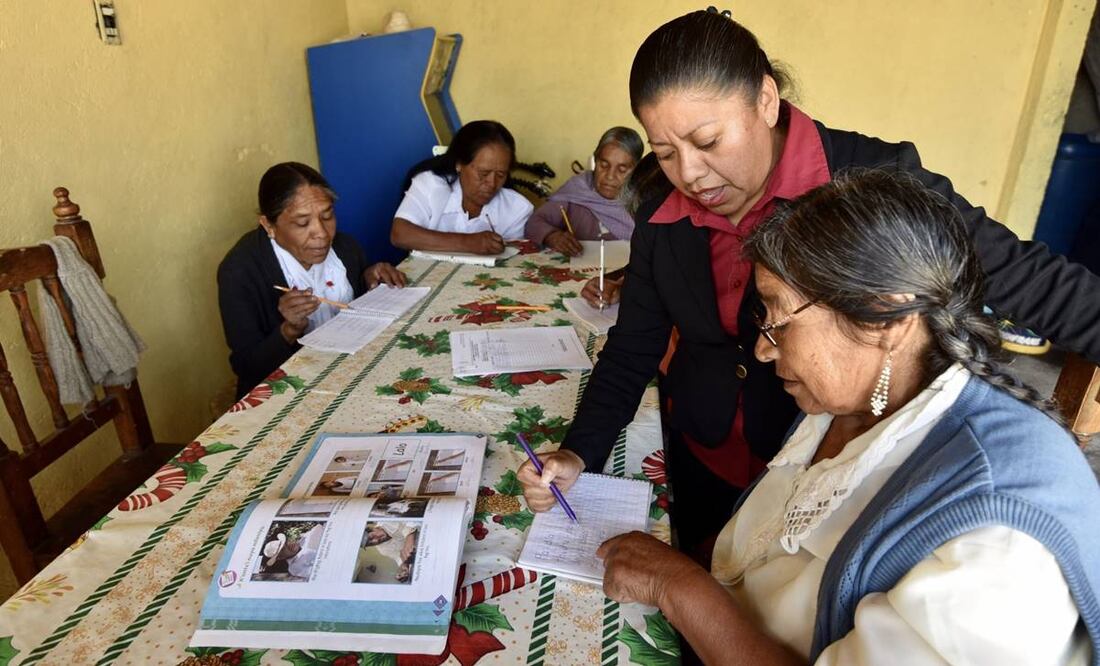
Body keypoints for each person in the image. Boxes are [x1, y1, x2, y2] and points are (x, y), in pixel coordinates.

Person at [519, 10, 1100, 565]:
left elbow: (1033, 281)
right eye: (666, 152)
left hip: (828, 468)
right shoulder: (662, 213)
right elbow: (633, 343)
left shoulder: (876, 184)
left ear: (766, 101)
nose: (689, 174)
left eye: (708, 141)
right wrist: (579, 451)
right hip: (705, 444)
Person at [592, 170, 1100, 665]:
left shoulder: (1000, 554)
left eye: (779, 320)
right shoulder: (854, 402)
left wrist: (677, 586)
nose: (764, 351)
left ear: (886, 321)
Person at [218, 162, 406, 399]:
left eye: (327, 216)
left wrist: (369, 279)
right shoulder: (240, 271)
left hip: (349, 375)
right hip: (287, 394)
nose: (322, 233)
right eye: (302, 223)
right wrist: (288, 331)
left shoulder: (345, 248)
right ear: (268, 226)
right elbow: (247, 367)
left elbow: (353, 311)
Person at [390, 120, 532, 255]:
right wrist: (468, 242)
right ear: (459, 164)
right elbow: (400, 234)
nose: (492, 183)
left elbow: (514, 264)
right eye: (483, 173)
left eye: (501, 175)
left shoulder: (517, 209)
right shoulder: (431, 185)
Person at [525, 126, 643, 256]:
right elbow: (534, 222)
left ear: (636, 170)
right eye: (603, 165)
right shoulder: (577, 190)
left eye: (622, 170)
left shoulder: (644, 199)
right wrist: (551, 235)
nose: (610, 176)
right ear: (595, 161)